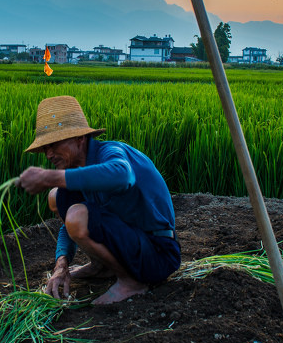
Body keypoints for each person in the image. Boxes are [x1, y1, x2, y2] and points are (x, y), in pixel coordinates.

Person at [17, 95, 180, 304]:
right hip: (131, 245)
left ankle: (131, 283)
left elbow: (123, 176)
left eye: (54, 144)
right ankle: (101, 266)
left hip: (158, 255)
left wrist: (50, 177)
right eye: (45, 148)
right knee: (57, 196)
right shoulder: (79, 168)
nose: (49, 154)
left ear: (79, 138)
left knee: (76, 213)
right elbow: (68, 227)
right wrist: (61, 265)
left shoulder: (110, 152)